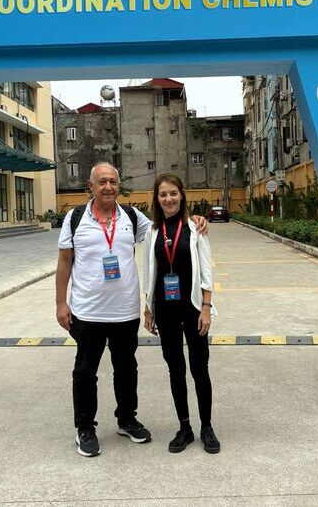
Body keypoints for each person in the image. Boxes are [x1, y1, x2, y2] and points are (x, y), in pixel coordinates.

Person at [55, 162, 208, 458]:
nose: (108, 187)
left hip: (125, 312)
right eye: (102, 182)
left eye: (113, 181)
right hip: (87, 312)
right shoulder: (74, 219)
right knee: (85, 371)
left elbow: (165, 227)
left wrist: (196, 220)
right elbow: (64, 262)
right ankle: (85, 427)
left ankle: (126, 419)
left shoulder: (131, 217)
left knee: (126, 369)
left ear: (119, 185)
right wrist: (61, 303)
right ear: (91, 186)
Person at [143, 174, 220, 454]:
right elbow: (149, 271)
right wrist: (148, 308)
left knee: (200, 369)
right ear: (157, 199)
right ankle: (185, 427)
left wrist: (207, 308)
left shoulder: (195, 228)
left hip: (193, 309)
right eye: (163, 194)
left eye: (173, 193)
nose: (169, 199)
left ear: (182, 195)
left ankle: (207, 427)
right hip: (165, 311)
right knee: (175, 369)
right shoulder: (152, 231)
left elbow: (207, 272)